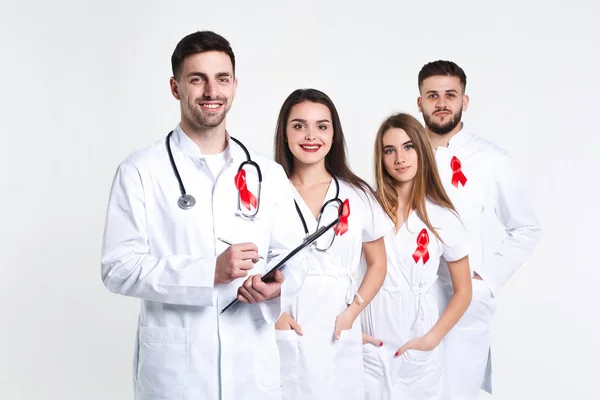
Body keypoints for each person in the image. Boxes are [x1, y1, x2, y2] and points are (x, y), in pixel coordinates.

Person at [101, 31, 308, 400]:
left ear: (234, 85)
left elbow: (294, 256)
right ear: (175, 87)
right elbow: (118, 268)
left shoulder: (267, 172)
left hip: (251, 368)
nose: (212, 91)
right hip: (177, 373)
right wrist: (206, 272)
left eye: (222, 79)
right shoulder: (141, 170)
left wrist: (277, 285)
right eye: (197, 79)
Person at [417, 60, 542, 399]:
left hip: (465, 300)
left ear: (464, 102)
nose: (441, 103)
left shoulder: (491, 159)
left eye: (450, 95)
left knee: (456, 390)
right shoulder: (405, 156)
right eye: (432, 95)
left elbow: (526, 228)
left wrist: (484, 282)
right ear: (420, 103)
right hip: (411, 300)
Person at [272, 88, 391, 399]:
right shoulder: (269, 193)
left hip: (338, 329)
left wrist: (353, 311)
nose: (311, 135)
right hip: (286, 325)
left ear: (334, 134)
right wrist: (275, 315)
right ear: (285, 134)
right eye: (299, 126)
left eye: (322, 126)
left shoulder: (358, 195)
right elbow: (253, 262)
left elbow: (378, 263)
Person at [361, 113, 473, 399]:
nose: (400, 158)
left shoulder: (443, 217)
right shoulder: (366, 206)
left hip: (417, 344)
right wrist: (352, 330)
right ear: (381, 157)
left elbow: (463, 290)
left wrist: (431, 339)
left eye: (408, 147)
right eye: (390, 150)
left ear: (422, 150)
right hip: (368, 343)